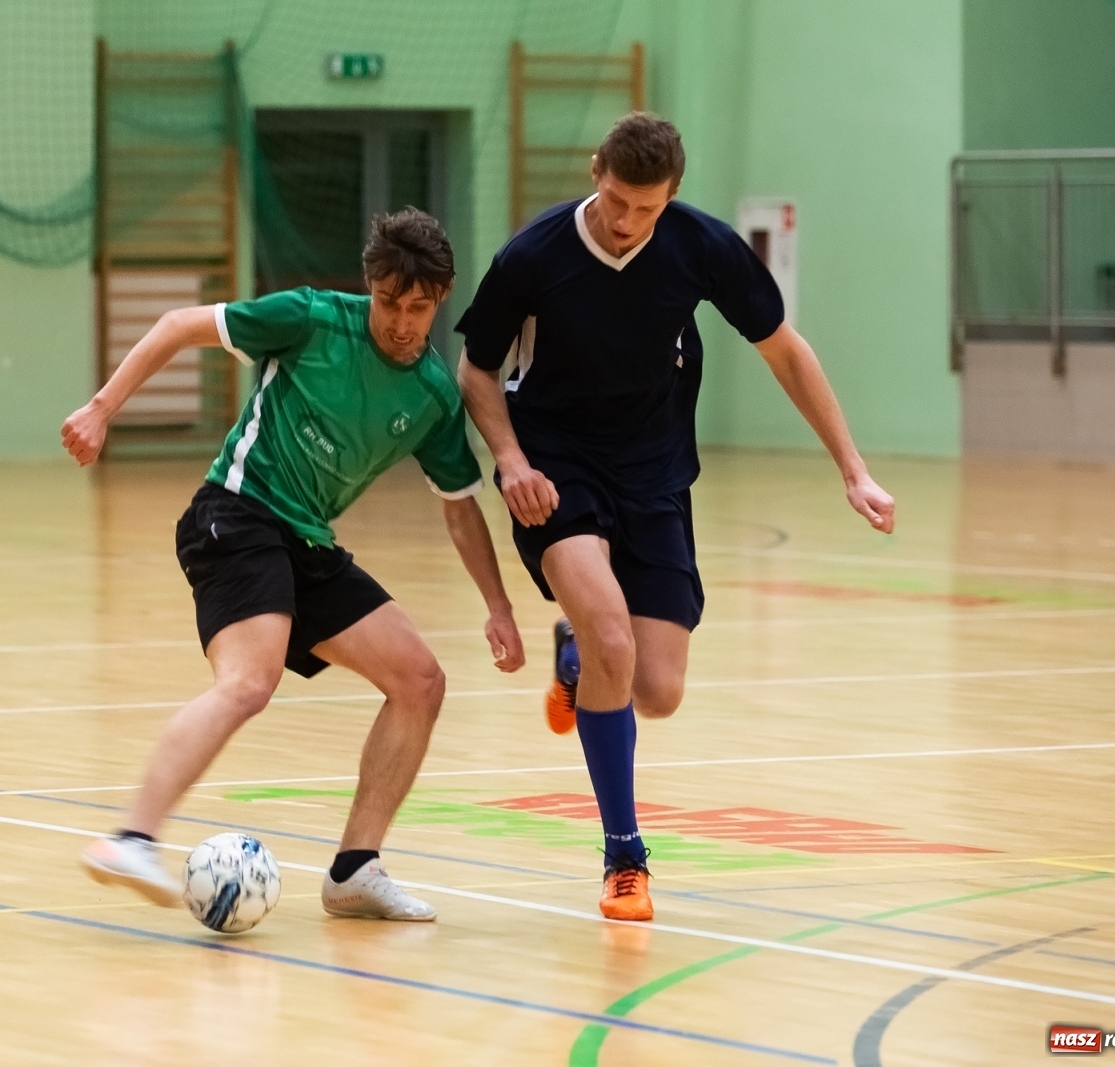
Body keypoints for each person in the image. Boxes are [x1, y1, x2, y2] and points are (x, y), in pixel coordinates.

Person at [455, 113, 895, 922]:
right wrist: (511, 459)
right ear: (596, 171)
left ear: (673, 196)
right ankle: (624, 857)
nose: (628, 221)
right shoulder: (535, 255)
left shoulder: (701, 246)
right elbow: (476, 369)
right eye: (617, 200)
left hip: (654, 470)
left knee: (656, 690)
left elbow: (785, 350)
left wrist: (853, 467)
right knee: (614, 639)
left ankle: (577, 653)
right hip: (556, 464)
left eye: (646, 208)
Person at [62, 208, 525, 922]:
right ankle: (132, 839)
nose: (402, 323)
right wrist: (101, 409)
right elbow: (179, 324)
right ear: (370, 288)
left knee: (419, 681)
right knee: (250, 681)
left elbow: (461, 506)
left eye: (419, 308)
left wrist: (497, 605)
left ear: (442, 299)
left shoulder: (434, 395)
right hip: (237, 512)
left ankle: (354, 870)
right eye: (389, 303)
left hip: (306, 542)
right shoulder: (311, 319)